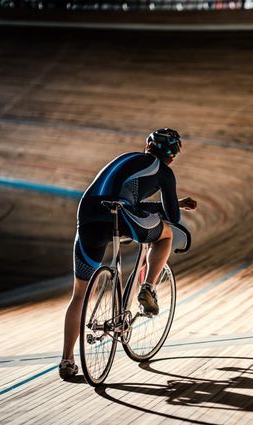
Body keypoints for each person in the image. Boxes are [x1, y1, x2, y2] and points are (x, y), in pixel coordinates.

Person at [59, 128, 197, 380]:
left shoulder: (124, 158)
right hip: (123, 217)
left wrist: (171, 203)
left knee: (79, 293)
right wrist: (173, 205)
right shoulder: (164, 172)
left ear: (147, 145)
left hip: (88, 216)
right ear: (173, 156)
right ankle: (148, 287)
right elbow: (173, 217)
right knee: (166, 233)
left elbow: (120, 196)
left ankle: (67, 360)